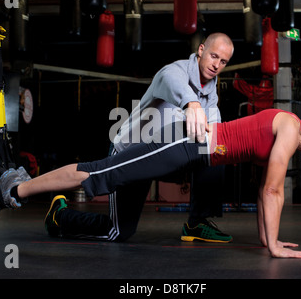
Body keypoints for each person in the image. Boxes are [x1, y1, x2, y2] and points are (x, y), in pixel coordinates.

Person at [0, 109, 301, 258]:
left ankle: (54, 213)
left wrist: (268, 239)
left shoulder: (290, 137)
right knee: (100, 172)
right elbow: (272, 191)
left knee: (120, 232)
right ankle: (14, 189)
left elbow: (266, 188)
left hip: (191, 155)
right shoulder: (291, 130)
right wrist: (275, 248)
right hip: (186, 143)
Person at [59, 32, 234, 243]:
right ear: (201, 50)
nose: (216, 65)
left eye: (223, 61)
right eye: (214, 56)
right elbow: (174, 83)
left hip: (164, 159)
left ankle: (197, 222)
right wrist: (192, 104)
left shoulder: (211, 97)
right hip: (131, 155)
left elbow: (216, 136)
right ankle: (59, 216)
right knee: (118, 232)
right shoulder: (173, 72)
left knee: (214, 148)